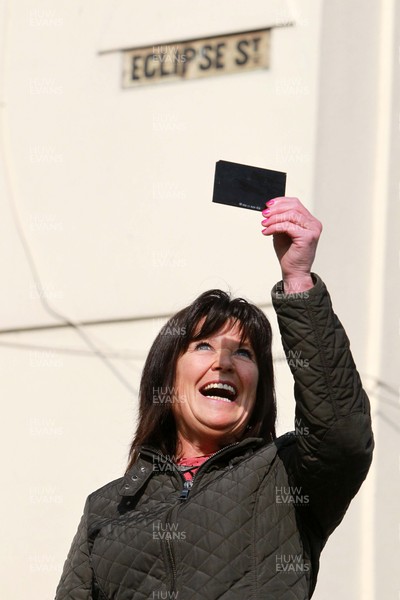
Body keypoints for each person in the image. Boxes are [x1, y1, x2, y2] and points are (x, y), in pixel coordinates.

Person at [55, 197, 374, 599]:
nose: (224, 363)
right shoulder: (105, 509)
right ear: (166, 376)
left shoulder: (286, 476)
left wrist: (297, 281)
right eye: (203, 346)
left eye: (243, 353)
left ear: (259, 388)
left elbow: (343, 434)